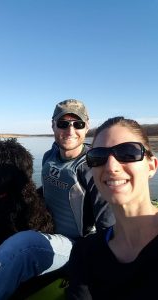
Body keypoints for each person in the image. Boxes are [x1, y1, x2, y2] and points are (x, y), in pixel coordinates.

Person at [0, 99, 115, 299]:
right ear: (53, 125)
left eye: (77, 124)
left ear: (87, 126)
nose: (70, 130)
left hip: (74, 244)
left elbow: (109, 228)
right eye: (63, 123)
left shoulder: (93, 166)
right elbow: (48, 190)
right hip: (46, 226)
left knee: (22, 243)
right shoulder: (51, 155)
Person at [67, 116, 158, 300]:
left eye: (127, 153)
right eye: (98, 157)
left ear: (151, 166)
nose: (111, 166)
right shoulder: (85, 253)